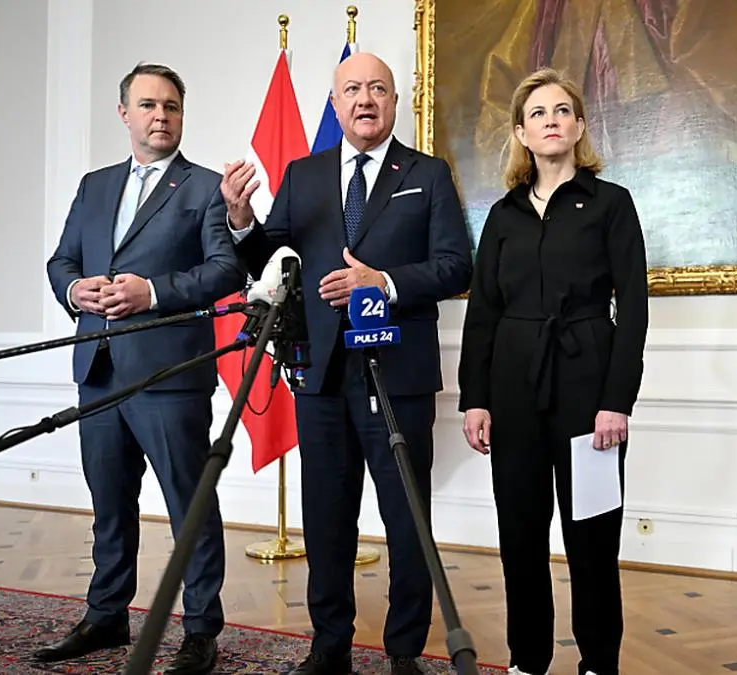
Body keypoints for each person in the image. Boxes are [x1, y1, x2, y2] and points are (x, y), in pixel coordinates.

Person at [219, 51, 472, 675]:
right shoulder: (303, 174)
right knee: (326, 517)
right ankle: (329, 646)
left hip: (399, 373)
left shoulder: (428, 174)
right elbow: (268, 259)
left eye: (378, 89)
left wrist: (383, 281)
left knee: (407, 519)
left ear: (395, 102)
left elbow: (455, 266)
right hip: (321, 372)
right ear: (335, 104)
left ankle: (404, 651)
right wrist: (242, 220)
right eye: (352, 89)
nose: (365, 99)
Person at [40, 63, 246, 675]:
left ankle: (201, 630)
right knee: (109, 502)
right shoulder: (94, 185)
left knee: (190, 506)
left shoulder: (205, 188)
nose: (162, 116)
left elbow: (225, 271)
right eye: (150, 105)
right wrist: (74, 289)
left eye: (172, 107)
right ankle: (106, 615)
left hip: (170, 375)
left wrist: (151, 293)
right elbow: (62, 260)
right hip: (98, 370)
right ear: (124, 113)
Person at [457, 67, 649, 675]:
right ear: (521, 132)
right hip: (513, 389)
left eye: (562, 110)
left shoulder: (612, 204)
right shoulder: (503, 214)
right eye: (537, 113)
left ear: (580, 126)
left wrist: (617, 401)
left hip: (589, 387)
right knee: (519, 534)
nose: (551, 121)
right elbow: (483, 313)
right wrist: (475, 398)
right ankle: (527, 660)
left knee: (592, 535)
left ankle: (598, 662)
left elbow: (634, 309)